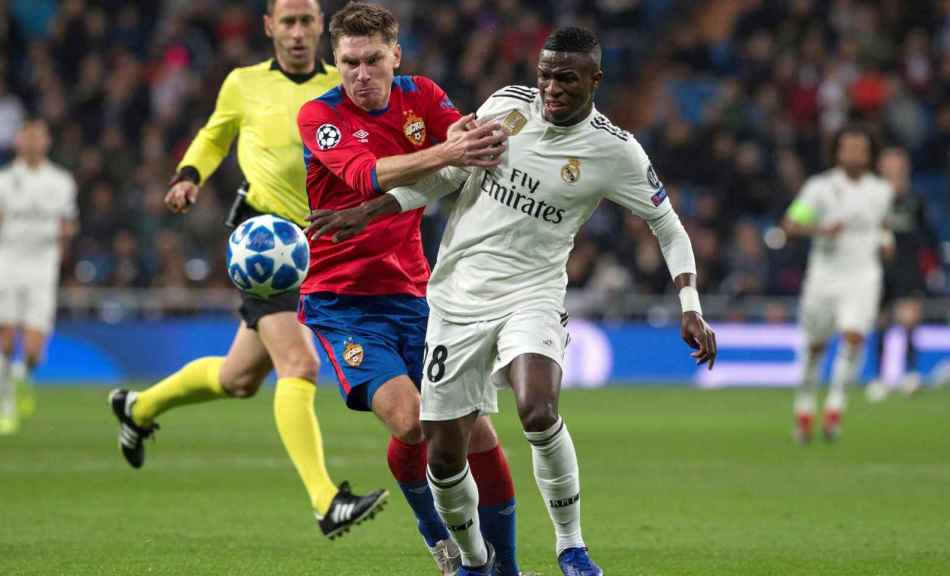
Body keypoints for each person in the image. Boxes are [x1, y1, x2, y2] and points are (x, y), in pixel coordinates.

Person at [307, 26, 718, 576]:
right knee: (445, 452)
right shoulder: (506, 106)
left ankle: (571, 547)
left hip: (534, 294)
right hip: (456, 298)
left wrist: (689, 304)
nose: (551, 88)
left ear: (594, 80)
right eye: (545, 74)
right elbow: (448, 172)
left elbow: (667, 227)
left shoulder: (614, 151)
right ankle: (476, 561)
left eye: (566, 78)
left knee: (538, 409)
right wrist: (371, 210)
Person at [106, 0, 387, 540]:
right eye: (289, 22)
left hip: (327, 239)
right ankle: (327, 501)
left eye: (308, 22)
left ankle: (137, 407)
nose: (299, 32)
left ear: (321, 29)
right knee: (299, 365)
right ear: (270, 28)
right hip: (268, 245)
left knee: (238, 378)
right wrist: (190, 175)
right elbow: (215, 134)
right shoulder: (243, 83)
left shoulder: (347, 81)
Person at [295, 4, 528, 574]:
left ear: (395, 56)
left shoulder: (421, 93)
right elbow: (366, 175)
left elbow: (456, 136)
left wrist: (468, 136)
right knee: (411, 419)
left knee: (476, 427)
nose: (361, 74)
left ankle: (508, 568)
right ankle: (438, 536)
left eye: (373, 60)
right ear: (335, 62)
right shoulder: (318, 116)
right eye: (349, 62)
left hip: (419, 295)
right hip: (342, 301)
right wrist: (452, 151)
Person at [0, 118, 78, 435]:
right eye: (26, 137)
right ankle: (5, 409)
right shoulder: (1, 180)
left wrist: (65, 233)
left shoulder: (61, 181)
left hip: (42, 265)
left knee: (33, 349)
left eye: (37, 137)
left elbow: (70, 223)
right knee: (3, 341)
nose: (31, 143)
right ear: (18, 142)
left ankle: (21, 376)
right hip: (7, 262)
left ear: (46, 142)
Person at [783, 125, 894, 443]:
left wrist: (887, 241)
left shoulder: (881, 191)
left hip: (863, 275)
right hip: (824, 275)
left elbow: (883, 224)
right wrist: (819, 231)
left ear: (870, 154)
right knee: (816, 346)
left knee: (854, 336)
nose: (855, 154)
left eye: (861, 149)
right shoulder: (820, 188)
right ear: (837, 152)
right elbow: (791, 224)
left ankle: (835, 406)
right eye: (849, 148)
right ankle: (805, 405)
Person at [866, 147, 937, 401]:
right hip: (881, 268)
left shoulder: (915, 199)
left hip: (908, 267)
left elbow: (928, 234)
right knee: (881, 322)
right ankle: (879, 377)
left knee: (909, 320)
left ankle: (910, 373)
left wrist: (931, 263)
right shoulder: (872, 197)